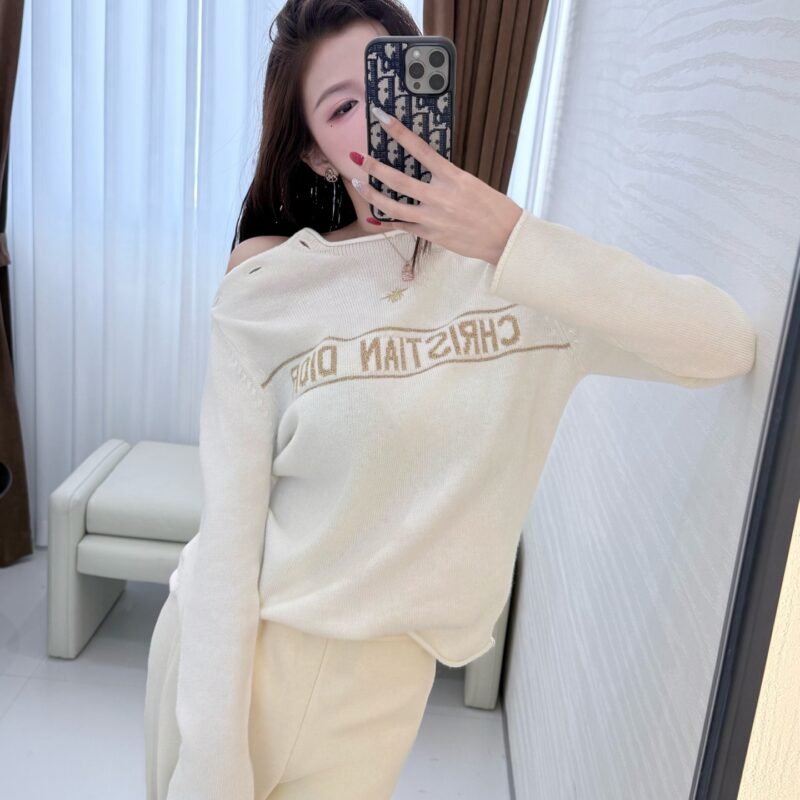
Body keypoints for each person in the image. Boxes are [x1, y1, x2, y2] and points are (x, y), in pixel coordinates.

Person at [143, 1, 758, 799]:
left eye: (388, 86)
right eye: (342, 107)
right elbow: (228, 536)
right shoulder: (273, 284)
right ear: (316, 153)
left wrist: (509, 237)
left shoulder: (530, 284)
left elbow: (723, 345)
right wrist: (213, 758)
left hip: (386, 688)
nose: (380, 121)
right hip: (234, 667)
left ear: (432, 88)